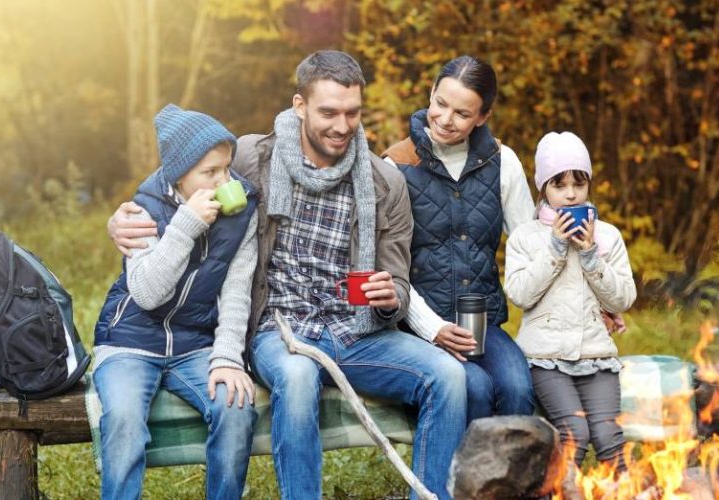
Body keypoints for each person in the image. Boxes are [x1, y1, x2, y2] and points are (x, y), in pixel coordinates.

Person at [108, 51, 466, 500]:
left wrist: (389, 295)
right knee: (297, 376)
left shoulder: (384, 183)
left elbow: (396, 276)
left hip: (353, 330)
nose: (341, 125)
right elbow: (178, 177)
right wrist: (121, 218)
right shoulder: (251, 157)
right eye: (328, 112)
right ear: (300, 105)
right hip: (278, 328)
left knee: (449, 376)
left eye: (352, 113)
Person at [93, 104, 259, 499]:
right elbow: (149, 294)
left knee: (236, 409)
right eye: (210, 172)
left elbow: (237, 291)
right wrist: (186, 225)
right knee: (124, 417)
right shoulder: (142, 209)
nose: (224, 181)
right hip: (129, 342)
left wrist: (227, 358)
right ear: (179, 175)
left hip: (194, 344)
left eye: (227, 168)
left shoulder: (243, 211)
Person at [382, 55, 536, 423]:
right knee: (475, 390)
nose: (445, 120)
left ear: (482, 117)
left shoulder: (503, 161)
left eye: (462, 114)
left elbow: (531, 247)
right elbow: (390, 267)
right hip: (419, 328)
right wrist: (432, 330)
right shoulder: (395, 166)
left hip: (483, 325)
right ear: (431, 93)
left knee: (518, 388)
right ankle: (466, 481)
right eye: (440, 104)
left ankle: (513, 480)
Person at [504, 131, 637, 472]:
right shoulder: (526, 237)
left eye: (579, 184)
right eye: (559, 185)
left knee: (609, 438)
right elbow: (519, 294)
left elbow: (624, 297)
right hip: (544, 359)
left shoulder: (607, 236)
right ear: (543, 189)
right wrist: (556, 248)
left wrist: (592, 255)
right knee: (574, 433)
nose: (571, 194)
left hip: (596, 357)